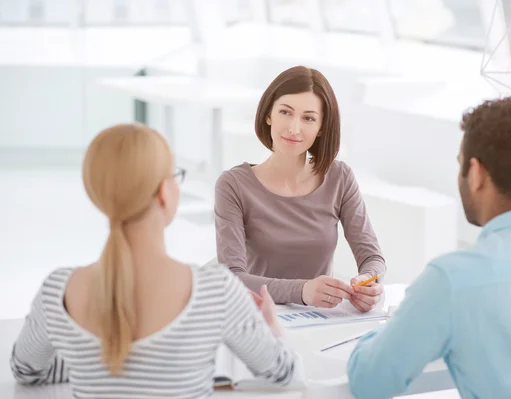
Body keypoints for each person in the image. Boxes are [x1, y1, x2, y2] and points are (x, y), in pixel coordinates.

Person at [10, 123, 297, 398]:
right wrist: (272, 325)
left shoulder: (58, 291)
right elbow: (283, 372)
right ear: (163, 192)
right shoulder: (215, 290)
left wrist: (90, 361)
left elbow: (26, 370)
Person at [347, 96, 511, 398]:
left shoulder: (450, 280)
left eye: (460, 165)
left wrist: (396, 326)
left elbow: (370, 381)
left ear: (477, 173)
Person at [214, 65, 387, 310]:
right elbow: (231, 278)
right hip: (255, 320)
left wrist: (369, 282)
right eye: (285, 112)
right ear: (268, 115)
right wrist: (303, 291)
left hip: (318, 320)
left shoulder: (340, 177)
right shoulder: (233, 185)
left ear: (321, 129)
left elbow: (372, 257)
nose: (294, 128)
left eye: (308, 118)